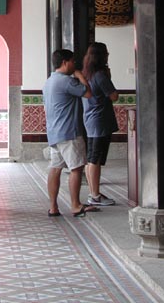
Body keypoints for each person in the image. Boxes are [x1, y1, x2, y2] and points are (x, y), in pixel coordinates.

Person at [42, 49, 94, 217]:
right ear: (64, 62)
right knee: (76, 168)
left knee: (55, 168)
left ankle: (53, 207)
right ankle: (75, 205)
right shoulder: (66, 81)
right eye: (73, 61)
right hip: (70, 132)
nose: (75, 65)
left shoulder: (49, 81)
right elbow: (88, 93)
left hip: (54, 132)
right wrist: (80, 75)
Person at [82, 42, 119, 207]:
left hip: (90, 120)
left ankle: (93, 192)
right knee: (95, 159)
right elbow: (114, 96)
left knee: (91, 158)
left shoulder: (86, 74)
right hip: (100, 121)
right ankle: (95, 195)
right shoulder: (100, 76)